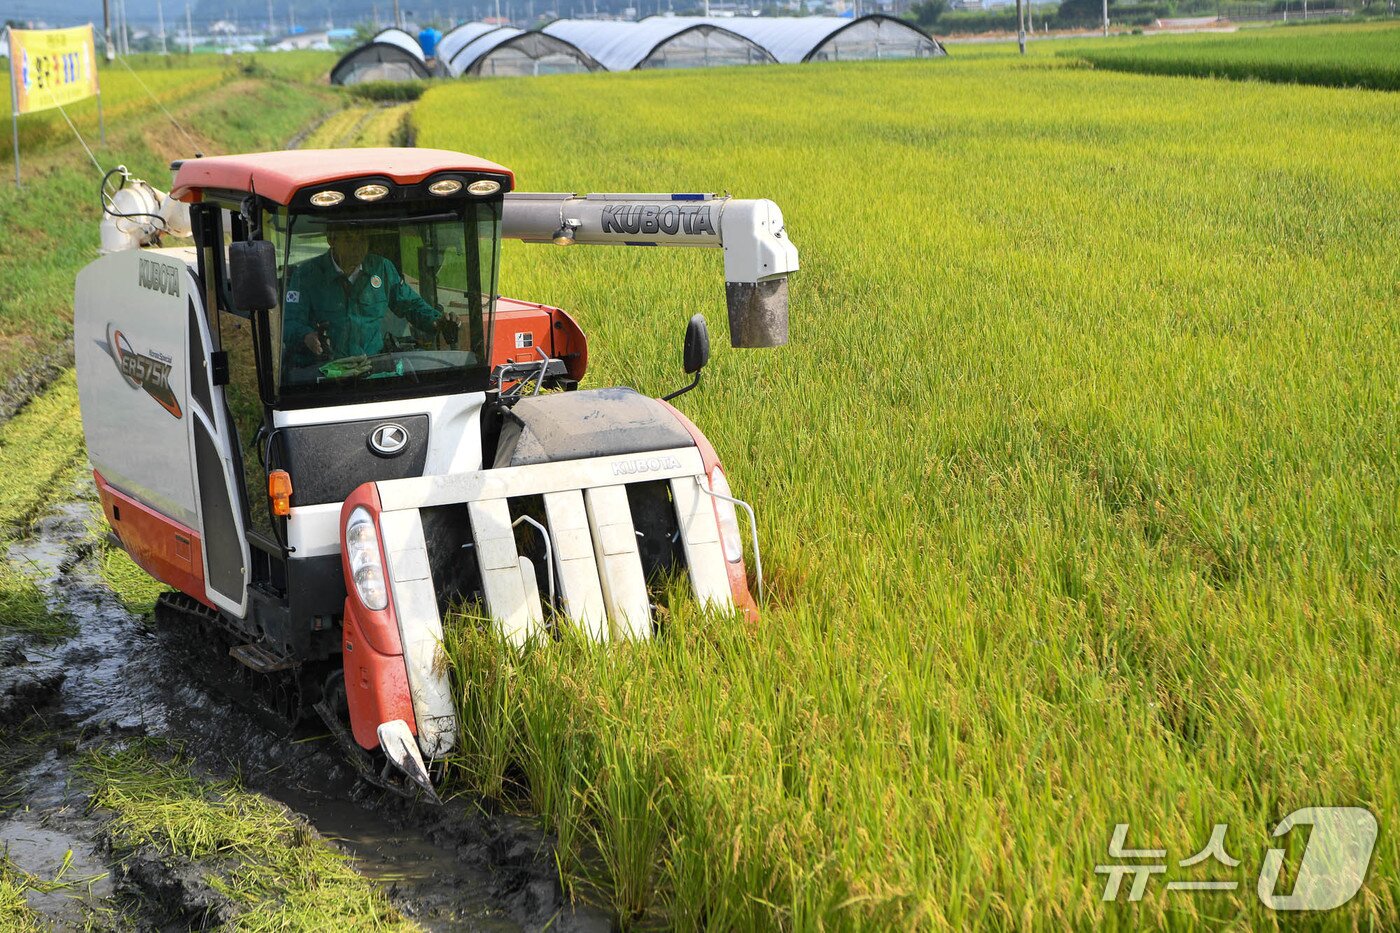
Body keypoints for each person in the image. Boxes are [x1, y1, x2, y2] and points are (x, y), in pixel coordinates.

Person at [282, 226, 449, 367]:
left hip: (372, 370)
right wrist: (306, 336)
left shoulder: (381, 268)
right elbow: (289, 323)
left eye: (362, 239)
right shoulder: (306, 275)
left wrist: (436, 320)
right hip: (325, 373)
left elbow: (410, 304)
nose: (357, 247)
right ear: (331, 239)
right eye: (349, 239)